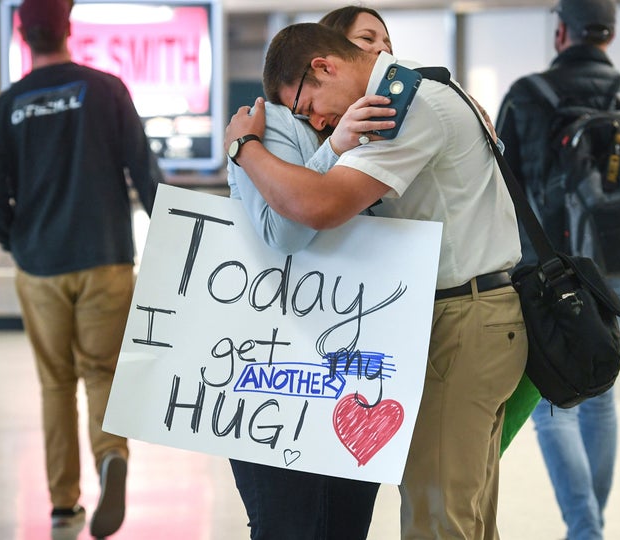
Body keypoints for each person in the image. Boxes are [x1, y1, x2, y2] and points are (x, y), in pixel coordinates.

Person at [225, 22, 528, 540]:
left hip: (459, 321)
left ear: (324, 66)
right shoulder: (425, 93)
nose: (316, 120)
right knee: (468, 512)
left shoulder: (404, 104)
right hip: (473, 314)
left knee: (439, 517)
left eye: (307, 106)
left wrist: (244, 148)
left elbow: (314, 208)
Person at [0, 0, 164, 537]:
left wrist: (19, 242)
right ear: (68, 28)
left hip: (40, 266)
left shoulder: (6, 106)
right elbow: (144, 173)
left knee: (55, 384)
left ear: (22, 34)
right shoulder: (106, 90)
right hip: (105, 257)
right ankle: (112, 457)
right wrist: (176, 238)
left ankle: (63, 505)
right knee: (102, 371)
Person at [495, 1, 620, 539]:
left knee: (559, 400)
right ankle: (589, 527)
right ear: (611, 33)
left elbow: (501, 187)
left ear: (560, 34)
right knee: (600, 398)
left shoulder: (528, 96)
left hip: (550, 279)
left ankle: (585, 529)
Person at [225, 7, 395, 540]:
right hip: (279, 365)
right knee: (291, 523)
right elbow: (285, 230)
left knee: (343, 523)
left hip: (347, 361)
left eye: (386, 46)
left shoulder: (379, 125)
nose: (379, 59)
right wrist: (333, 148)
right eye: (367, 44)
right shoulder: (274, 123)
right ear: (329, 60)